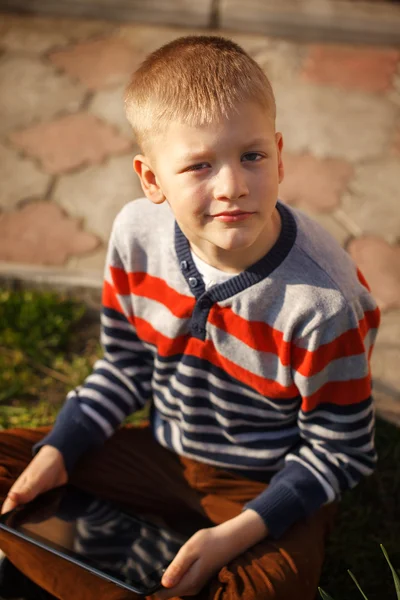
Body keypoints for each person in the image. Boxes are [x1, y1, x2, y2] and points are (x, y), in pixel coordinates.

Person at [0, 36, 380, 600]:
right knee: (16, 476)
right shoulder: (135, 235)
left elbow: (340, 449)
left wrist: (234, 535)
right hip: (162, 453)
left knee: (266, 591)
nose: (233, 186)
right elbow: (125, 365)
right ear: (151, 180)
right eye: (199, 165)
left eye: (252, 155)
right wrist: (62, 448)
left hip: (263, 485)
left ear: (279, 154)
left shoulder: (325, 302)